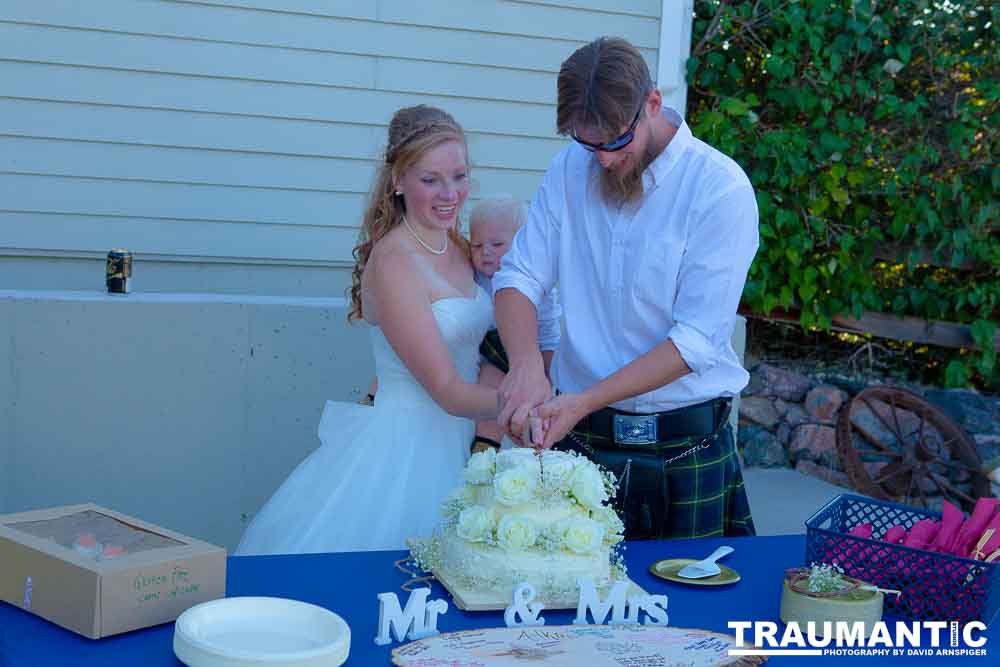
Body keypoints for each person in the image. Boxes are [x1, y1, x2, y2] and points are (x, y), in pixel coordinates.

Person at [492, 37, 759, 540]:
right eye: (586, 144)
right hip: (582, 441)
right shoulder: (569, 169)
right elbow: (518, 277)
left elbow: (695, 342)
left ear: (652, 104)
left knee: (689, 617)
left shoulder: (720, 189)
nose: (603, 161)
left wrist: (582, 400)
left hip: (686, 448)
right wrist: (527, 365)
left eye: (615, 143)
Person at [237, 105, 505, 554]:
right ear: (398, 181)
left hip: (465, 443)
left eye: (459, 176)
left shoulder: (460, 246)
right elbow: (446, 389)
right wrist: (532, 405)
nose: (450, 193)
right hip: (406, 452)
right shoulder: (395, 261)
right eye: (430, 179)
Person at [467, 196, 561, 453]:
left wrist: (545, 373)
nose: (485, 252)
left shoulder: (536, 286)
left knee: (503, 382)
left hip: (523, 355)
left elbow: (549, 331)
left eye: (497, 244)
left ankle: (498, 444)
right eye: (476, 245)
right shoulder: (469, 275)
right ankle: (487, 441)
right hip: (474, 353)